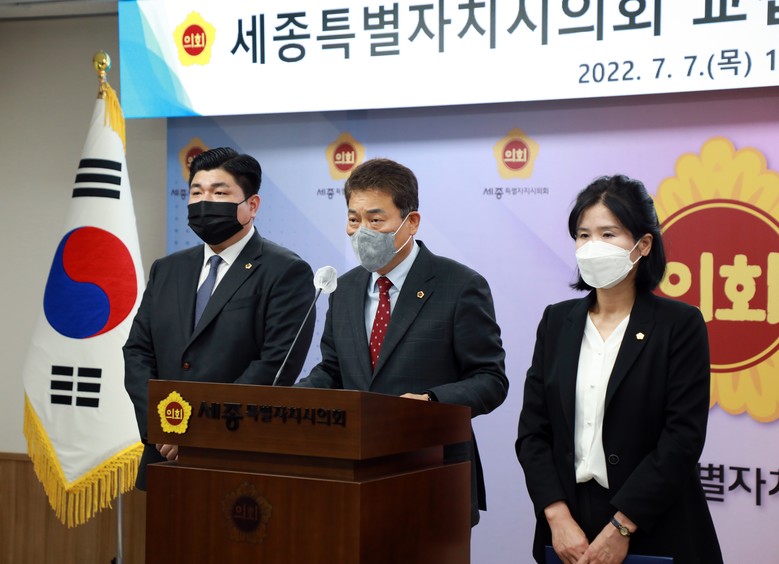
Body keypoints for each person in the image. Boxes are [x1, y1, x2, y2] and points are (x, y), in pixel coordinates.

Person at [516, 175, 722, 563]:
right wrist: (556, 515)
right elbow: (533, 433)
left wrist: (622, 526)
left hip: (654, 523)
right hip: (568, 528)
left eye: (608, 234)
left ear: (643, 245)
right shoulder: (557, 321)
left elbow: (682, 438)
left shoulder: (679, 324)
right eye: (583, 235)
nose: (592, 246)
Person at [296, 157, 509, 526]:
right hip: (352, 475)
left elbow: (490, 379)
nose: (362, 231)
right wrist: (292, 400)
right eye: (353, 219)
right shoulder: (343, 289)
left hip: (431, 474)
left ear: (411, 222)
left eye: (376, 220)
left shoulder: (459, 285)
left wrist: (431, 402)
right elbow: (333, 371)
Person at [124, 147, 315, 489]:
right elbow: (138, 351)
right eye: (197, 192)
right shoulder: (167, 269)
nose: (205, 202)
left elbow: (275, 366)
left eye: (220, 193)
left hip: (238, 457)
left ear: (252, 205)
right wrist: (163, 428)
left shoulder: (285, 271)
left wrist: (200, 433)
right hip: (163, 454)